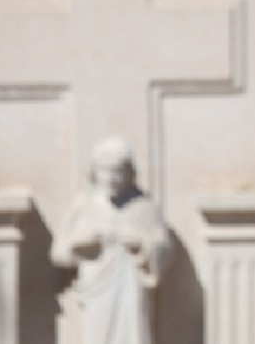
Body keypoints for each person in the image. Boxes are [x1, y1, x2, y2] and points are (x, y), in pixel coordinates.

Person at [52, 137, 171, 344]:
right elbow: (59, 252)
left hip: (131, 290)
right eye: (104, 171)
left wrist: (140, 242)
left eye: (117, 172)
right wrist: (81, 242)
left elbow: (164, 246)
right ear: (94, 173)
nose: (110, 178)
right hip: (96, 288)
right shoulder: (83, 206)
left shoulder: (143, 206)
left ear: (129, 173)